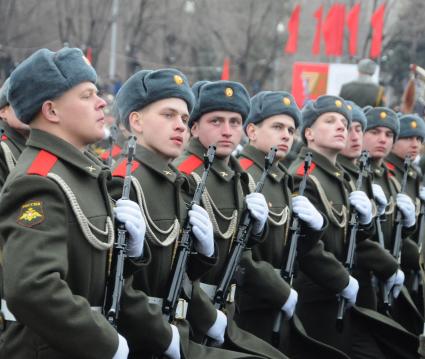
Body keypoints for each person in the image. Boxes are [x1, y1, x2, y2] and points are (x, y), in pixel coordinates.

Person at [0, 47, 150, 358]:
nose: (101, 103)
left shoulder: (77, 172)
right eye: (86, 95)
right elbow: (32, 288)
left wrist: (131, 253)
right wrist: (106, 344)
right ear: (52, 111)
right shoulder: (40, 179)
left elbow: (89, 270)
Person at [110, 69, 255, 359]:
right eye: (168, 115)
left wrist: (203, 255)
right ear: (136, 121)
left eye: (184, 118)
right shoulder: (124, 183)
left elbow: (179, 271)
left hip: (181, 328)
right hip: (143, 341)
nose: (180, 126)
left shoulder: (180, 184)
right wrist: (166, 338)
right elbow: (115, 286)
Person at [174, 80, 287, 359]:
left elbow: (242, 250)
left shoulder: (240, 178)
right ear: (195, 126)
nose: (227, 131)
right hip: (191, 314)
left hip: (228, 309)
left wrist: (257, 229)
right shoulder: (184, 174)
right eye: (216, 121)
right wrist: (209, 316)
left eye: (235, 122)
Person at [236, 90, 350, 358]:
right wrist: (280, 291)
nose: (287, 135)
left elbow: (291, 246)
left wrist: (314, 227)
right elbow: (241, 253)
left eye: (290, 129)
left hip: (278, 301)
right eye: (277, 127)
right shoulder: (244, 174)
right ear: (252, 131)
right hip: (250, 305)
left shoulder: (279, 176)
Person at [288, 95, 373, 356]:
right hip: (314, 295)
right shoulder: (303, 177)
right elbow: (306, 247)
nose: (341, 127)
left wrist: (368, 222)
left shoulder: (341, 178)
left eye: (344, 124)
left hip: (336, 293)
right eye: (330, 121)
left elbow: (348, 236)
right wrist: (341, 280)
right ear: (309, 133)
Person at [385, 113, 425, 308]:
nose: (415, 144)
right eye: (408, 138)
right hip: (395, 260)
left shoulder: (412, 172)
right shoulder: (388, 170)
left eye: (419, 139)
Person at [0, 78, 30, 189]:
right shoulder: (3, 147)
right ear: (3, 112)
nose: (30, 108)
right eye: (21, 102)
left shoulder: (33, 140)